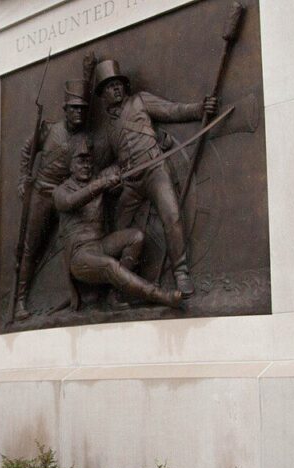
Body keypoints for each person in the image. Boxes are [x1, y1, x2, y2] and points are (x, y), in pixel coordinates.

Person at [92, 59, 217, 297]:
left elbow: (173, 110)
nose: (116, 88)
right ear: (102, 95)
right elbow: (104, 163)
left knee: (171, 215)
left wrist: (200, 109)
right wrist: (110, 175)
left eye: (118, 84)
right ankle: (123, 282)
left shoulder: (140, 101)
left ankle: (181, 273)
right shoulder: (108, 129)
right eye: (110, 86)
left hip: (155, 171)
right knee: (119, 231)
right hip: (131, 182)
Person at [54, 141, 183, 309]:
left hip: (101, 245)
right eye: (80, 161)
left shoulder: (97, 180)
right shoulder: (60, 192)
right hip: (79, 256)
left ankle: (115, 294)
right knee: (109, 265)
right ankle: (158, 295)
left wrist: (153, 151)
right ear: (70, 166)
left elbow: (121, 169)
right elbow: (71, 202)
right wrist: (101, 184)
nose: (86, 166)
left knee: (135, 237)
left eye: (88, 161)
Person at [14, 79, 91, 320]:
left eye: (82, 108)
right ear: (65, 110)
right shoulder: (49, 129)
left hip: (65, 195)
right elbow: (28, 150)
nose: (79, 112)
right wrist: (23, 177)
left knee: (74, 243)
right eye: (74, 108)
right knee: (30, 248)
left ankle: (76, 297)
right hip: (41, 193)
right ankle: (20, 301)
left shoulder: (84, 139)